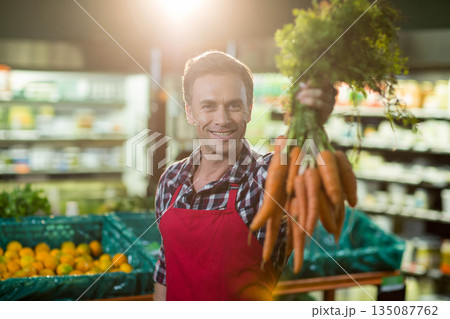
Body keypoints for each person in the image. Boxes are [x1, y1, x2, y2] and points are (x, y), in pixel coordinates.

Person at [153, 51, 336, 301]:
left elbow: (308, 166)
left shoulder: (262, 180)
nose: (222, 119)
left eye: (234, 106)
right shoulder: (170, 180)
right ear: (190, 112)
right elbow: (165, 271)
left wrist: (312, 120)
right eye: (208, 106)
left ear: (249, 110)